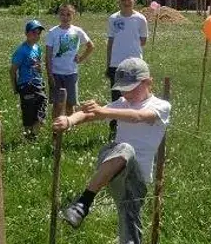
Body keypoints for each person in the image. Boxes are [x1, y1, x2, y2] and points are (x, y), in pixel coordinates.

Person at [57, 58, 171, 244]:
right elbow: (89, 114)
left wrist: (104, 112)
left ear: (148, 82)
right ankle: (83, 203)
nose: (126, 94)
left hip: (137, 179)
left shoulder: (161, 106)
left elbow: (138, 116)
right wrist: (69, 120)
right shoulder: (122, 102)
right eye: (123, 89)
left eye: (131, 88)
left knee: (130, 224)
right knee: (124, 148)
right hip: (113, 168)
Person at [107, 0, 149, 134]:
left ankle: (133, 126)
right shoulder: (113, 19)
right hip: (116, 64)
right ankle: (115, 129)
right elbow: (110, 42)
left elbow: (143, 41)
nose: (126, 2)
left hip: (135, 65)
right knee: (117, 98)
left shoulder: (140, 19)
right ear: (118, 1)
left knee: (136, 95)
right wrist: (108, 64)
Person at [47, 4, 95, 116]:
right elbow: (48, 55)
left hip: (71, 73)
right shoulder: (53, 32)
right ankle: (56, 125)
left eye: (68, 14)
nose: (65, 17)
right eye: (62, 14)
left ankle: (70, 124)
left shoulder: (77, 31)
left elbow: (91, 46)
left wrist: (81, 58)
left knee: (70, 104)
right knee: (57, 104)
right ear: (58, 15)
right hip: (56, 73)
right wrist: (49, 74)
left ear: (74, 15)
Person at [11, 19, 47, 140]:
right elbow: (13, 70)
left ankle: (33, 135)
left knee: (41, 108)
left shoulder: (37, 48)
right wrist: (15, 87)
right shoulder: (21, 51)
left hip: (38, 83)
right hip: (26, 85)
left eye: (38, 33)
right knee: (28, 112)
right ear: (26, 33)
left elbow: (38, 65)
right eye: (33, 33)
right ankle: (29, 137)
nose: (36, 36)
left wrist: (40, 71)